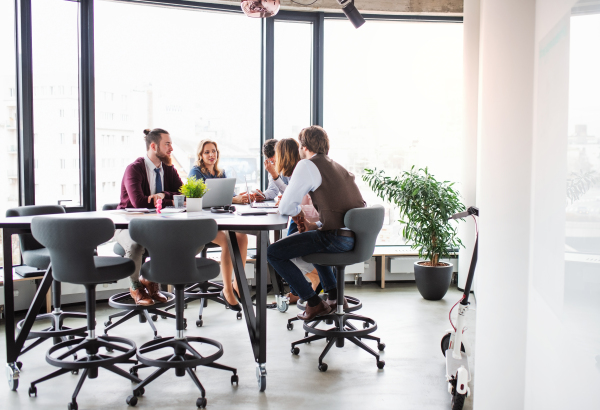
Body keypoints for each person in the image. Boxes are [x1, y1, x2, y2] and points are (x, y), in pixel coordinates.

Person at [267, 126, 365, 321]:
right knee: (314, 239)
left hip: (335, 238)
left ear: (303, 147)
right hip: (355, 238)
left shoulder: (307, 165)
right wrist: (315, 224)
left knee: (273, 253)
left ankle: (314, 303)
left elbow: (285, 207)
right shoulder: (336, 165)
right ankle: (335, 295)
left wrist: (299, 214)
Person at [116, 128, 179, 306]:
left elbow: (182, 196)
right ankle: (135, 286)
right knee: (136, 245)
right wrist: (169, 199)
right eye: (167, 144)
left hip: (155, 225)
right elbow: (139, 202)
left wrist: (162, 195)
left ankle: (150, 281)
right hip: (127, 225)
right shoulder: (134, 169)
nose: (171, 149)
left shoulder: (169, 169)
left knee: (171, 241)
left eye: (171, 144)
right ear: (153, 146)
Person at [188, 139, 249, 312]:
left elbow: (228, 195)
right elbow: (204, 199)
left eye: (213, 151)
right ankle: (227, 290)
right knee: (229, 241)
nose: (211, 155)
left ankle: (237, 283)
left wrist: (239, 197)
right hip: (201, 224)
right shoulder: (196, 172)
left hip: (219, 221)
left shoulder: (219, 172)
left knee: (241, 237)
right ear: (201, 155)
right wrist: (233, 199)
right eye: (207, 152)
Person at [270, 138, 322, 303]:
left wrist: (296, 210)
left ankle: (307, 288)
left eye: (276, 157)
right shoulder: (298, 172)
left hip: (318, 224)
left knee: (279, 251)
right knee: (287, 243)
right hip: (314, 223)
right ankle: (310, 284)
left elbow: (315, 210)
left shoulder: (303, 172)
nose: (275, 161)